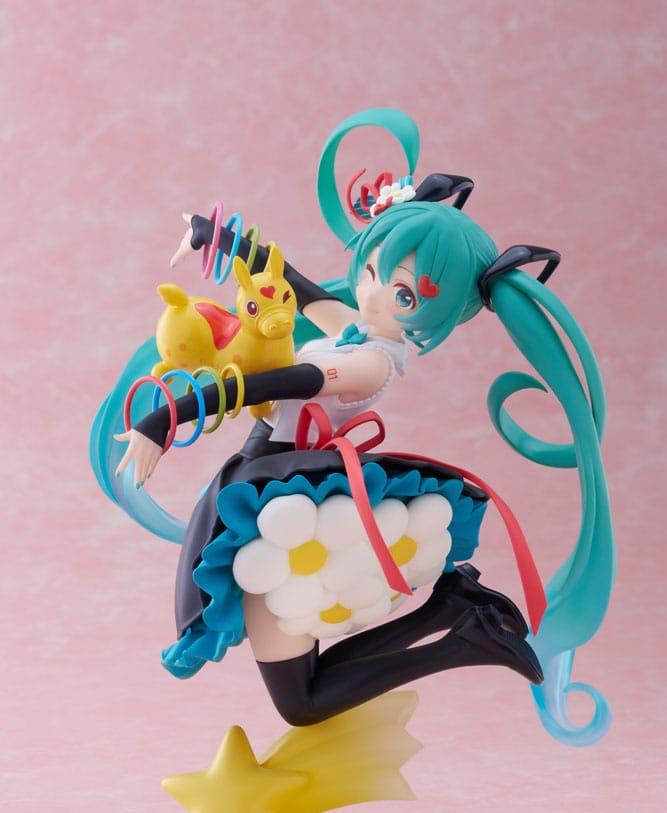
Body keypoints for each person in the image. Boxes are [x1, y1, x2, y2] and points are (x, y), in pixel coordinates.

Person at [98, 109, 614, 746]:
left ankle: (465, 639)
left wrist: (166, 416)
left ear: (440, 314)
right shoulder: (357, 327)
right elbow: (295, 283)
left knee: (302, 701)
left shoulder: (372, 362)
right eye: (373, 271)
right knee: (303, 686)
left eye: (405, 295)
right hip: (274, 486)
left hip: (278, 493)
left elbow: (282, 383)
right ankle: (453, 611)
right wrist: (220, 238)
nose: (373, 294)